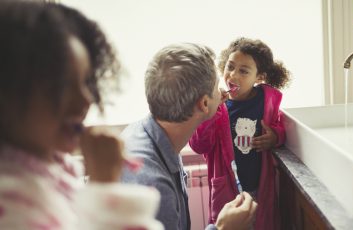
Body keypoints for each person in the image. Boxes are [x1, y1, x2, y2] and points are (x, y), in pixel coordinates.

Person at [0, 1, 162, 229]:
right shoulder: (12, 210)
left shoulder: (53, 170)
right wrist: (105, 186)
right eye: (63, 86)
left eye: (86, 82)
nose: (85, 100)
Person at [121, 43, 258, 230]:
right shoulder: (154, 188)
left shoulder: (147, 134)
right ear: (203, 103)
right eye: (216, 86)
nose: (222, 91)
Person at [189, 37, 291, 230]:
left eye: (243, 71)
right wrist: (211, 111)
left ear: (259, 77)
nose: (233, 76)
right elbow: (198, 145)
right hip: (228, 189)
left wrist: (275, 137)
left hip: (260, 185)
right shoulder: (217, 106)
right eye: (230, 67)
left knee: (263, 224)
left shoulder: (267, 101)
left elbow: (282, 127)